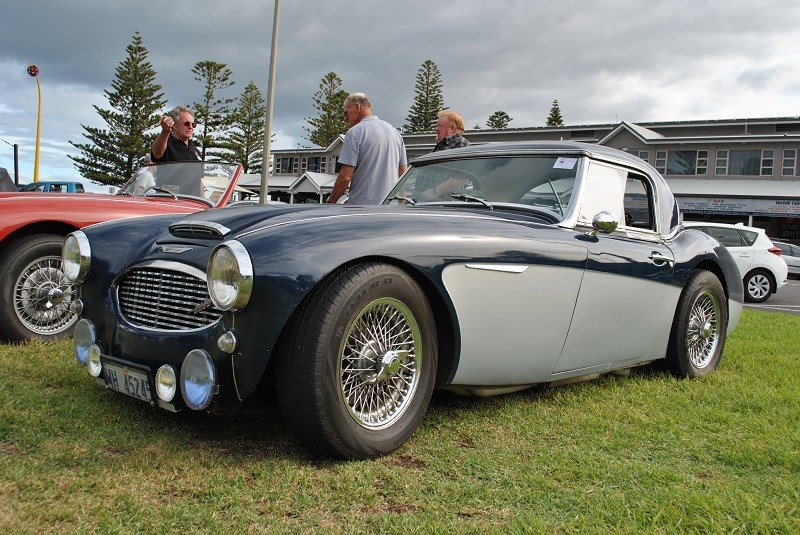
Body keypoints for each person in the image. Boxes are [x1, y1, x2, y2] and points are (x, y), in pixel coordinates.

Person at [328, 93, 407, 204]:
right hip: (390, 208)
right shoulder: (395, 133)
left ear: (357, 107)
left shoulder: (355, 133)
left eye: (346, 113)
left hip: (362, 210)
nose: (345, 118)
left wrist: (331, 202)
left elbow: (345, 176)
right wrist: (401, 205)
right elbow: (403, 172)